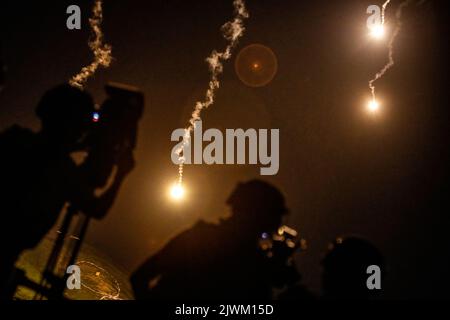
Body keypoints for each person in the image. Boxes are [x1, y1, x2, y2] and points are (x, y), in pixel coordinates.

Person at [0, 84, 134, 298]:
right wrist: (121, 175)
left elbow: (43, 152)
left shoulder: (14, 138)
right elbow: (96, 209)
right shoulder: (64, 170)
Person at [131, 179, 297, 300]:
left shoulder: (200, 237)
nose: (275, 225)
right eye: (273, 217)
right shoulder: (251, 264)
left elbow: (140, 277)